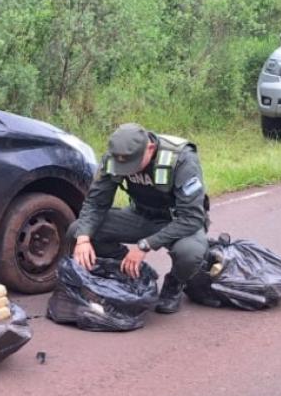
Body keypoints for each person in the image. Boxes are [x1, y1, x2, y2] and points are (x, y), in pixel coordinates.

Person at [68, 123, 209, 314]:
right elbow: (96, 203)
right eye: (123, 166)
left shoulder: (181, 159)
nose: (127, 171)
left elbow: (192, 217)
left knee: (190, 253)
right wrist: (83, 238)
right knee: (77, 231)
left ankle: (174, 284)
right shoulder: (115, 158)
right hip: (140, 215)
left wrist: (145, 245)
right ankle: (127, 268)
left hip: (176, 221)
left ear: (150, 149)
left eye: (132, 165)